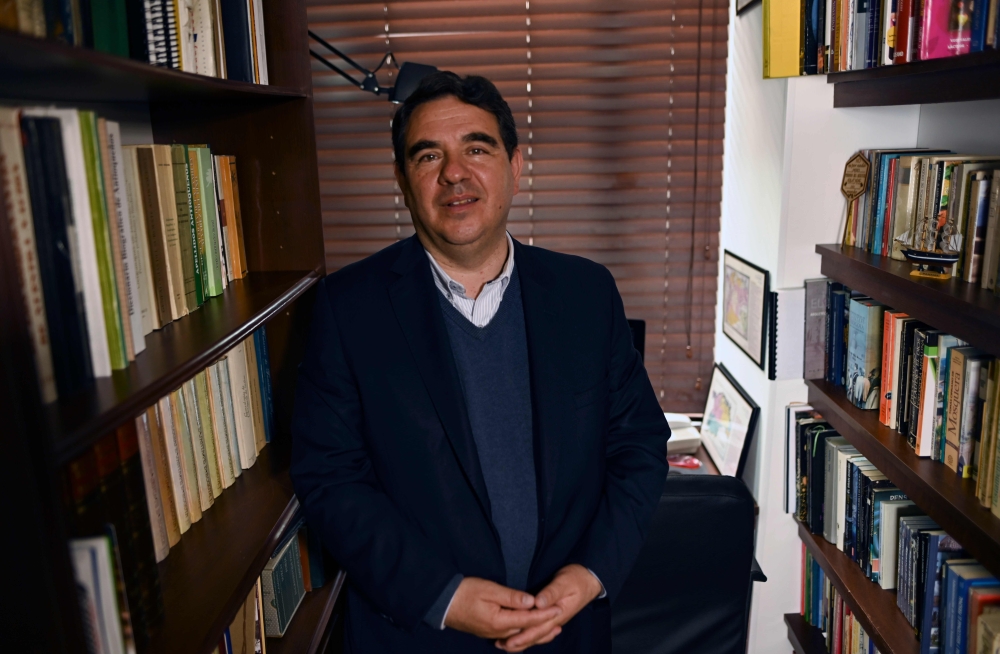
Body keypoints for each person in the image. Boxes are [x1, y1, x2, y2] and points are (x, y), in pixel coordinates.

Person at [291, 71, 670, 654]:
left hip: (566, 631)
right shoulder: (347, 309)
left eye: (476, 148)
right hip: (418, 636)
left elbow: (638, 445)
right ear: (402, 180)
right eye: (428, 156)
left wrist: (592, 572)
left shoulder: (586, 293)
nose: (454, 173)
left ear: (515, 166)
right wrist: (442, 597)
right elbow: (331, 478)